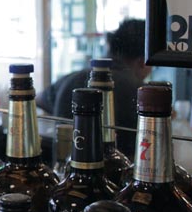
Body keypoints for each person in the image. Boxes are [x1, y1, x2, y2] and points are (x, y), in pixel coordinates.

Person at [42, 19, 151, 158]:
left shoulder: (70, 79)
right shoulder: (141, 92)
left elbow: (39, 100)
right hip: (117, 174)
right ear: (143, 62)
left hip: (67, 169)